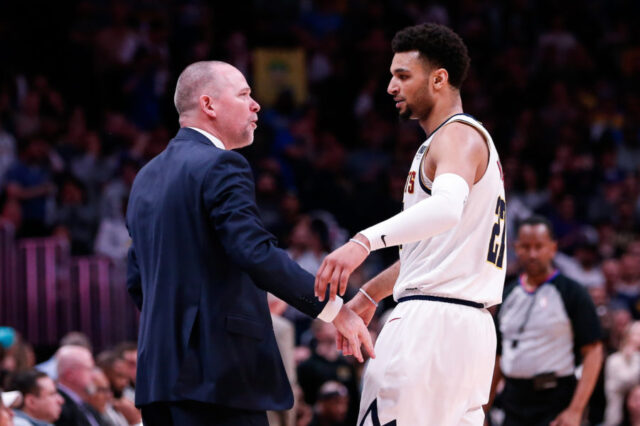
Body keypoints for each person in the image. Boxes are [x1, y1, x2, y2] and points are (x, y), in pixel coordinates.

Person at [125, 60, 373, 426]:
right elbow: (254, 251)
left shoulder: (146, 177)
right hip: (219, 379)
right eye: (244, 94)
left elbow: (136, 280)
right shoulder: (222, 165)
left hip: (158, 378)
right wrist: (336, 310)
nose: (256, 105)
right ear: (209, 105)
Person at [315, 23, 506, 425]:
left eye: (403, 76)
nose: (390, 87)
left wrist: (363, 241)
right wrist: (369, 294)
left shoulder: (455, 136)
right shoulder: (466, 141)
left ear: (439, 79)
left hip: (429, 326)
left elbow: (446, 210)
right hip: (471, 331)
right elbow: (436, 245)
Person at [488, 216, 603, 426]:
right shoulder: (507, 295)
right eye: (526, 247)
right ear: (516, 248)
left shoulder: (573, 293)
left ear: (553, 247)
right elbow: (498, 358)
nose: (533, 254)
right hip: (513, 400)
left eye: (539, 246)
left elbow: (594, 352)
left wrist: (575, 411)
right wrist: (484, 410)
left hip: (556, 400)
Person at [604, 321, 640, 425]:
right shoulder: (615, 360)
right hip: (618, 416)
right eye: (637, 334)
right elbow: (625, 382)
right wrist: (634, 358)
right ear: (628, 336)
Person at [54, 345, 98, 426]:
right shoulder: (60, 408)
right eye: (89, 369)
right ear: (69, 375)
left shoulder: (84, 404)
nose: (94, 376)